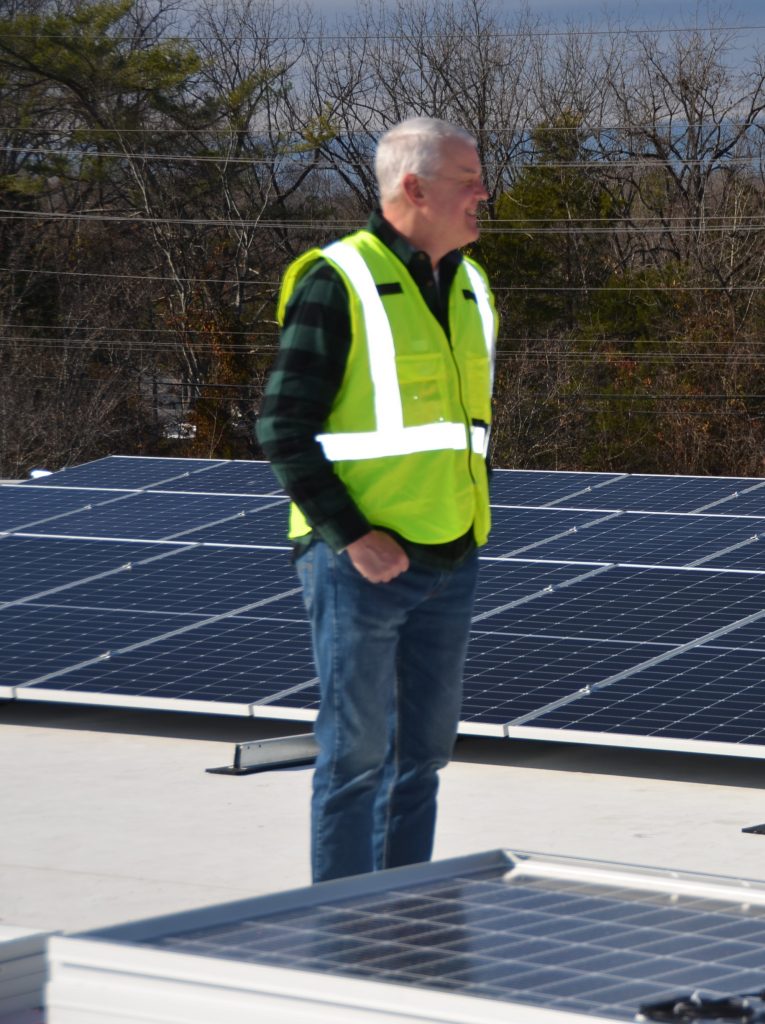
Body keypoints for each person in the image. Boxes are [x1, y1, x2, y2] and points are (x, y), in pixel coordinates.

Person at [257, 116, 497, 883]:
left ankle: (401, 916)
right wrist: (351, 535)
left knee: (420, 758)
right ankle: (341, 931)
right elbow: (281, 426)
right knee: (355, 759)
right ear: (414, 188)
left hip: (449, 553)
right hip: (358, 565)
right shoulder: (340, 278)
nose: (482, 194)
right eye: (468, 181)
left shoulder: (469, 284)